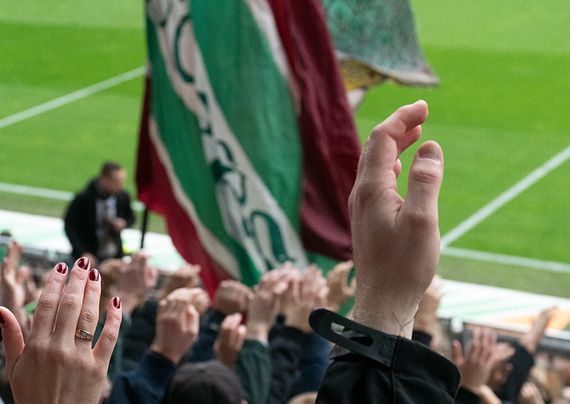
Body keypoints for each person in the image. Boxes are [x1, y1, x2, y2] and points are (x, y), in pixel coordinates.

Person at [64, 161, 135, 264]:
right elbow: (70, 227)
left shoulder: (122, 197)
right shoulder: (83, 199)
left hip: (114, 255)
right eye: (116, 182)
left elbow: (131, 218)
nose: (120, 186)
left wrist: (124, 223)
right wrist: (83, 253)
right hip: (90, 255)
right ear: (104, 180)